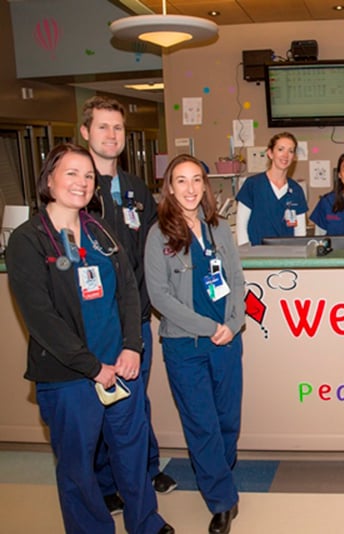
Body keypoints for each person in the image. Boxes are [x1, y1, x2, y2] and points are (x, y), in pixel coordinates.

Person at [5, 143, 173, 534]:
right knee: (78, 467)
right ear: (49, 179)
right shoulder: (29, 240)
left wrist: (132, 346)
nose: (81, 183)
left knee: (131, 453)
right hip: (71, 377)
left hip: (121, 367)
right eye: (71, 173)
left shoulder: (100, 231)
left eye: (88, 176)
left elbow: (128, 290)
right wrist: (92, 367)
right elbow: (41, 318)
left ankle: (145, 522)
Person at [80, 95, 177, 513]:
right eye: (102, 126)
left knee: (135, 400)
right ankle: (107, 483)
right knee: (102, 402)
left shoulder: (136, 190)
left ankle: (146, 469)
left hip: (134, 317)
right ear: (85, 132)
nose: (111, 135)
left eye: (117, 127)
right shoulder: (78, 188)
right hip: (93, 321)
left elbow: (154, 246)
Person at [145, 155, 245, 534]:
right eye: (181, 181)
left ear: (205, 185)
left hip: (226, 342)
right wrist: (209, 326)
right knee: (202, 424)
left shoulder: (218, 229)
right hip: (185, 346)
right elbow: (160, 297)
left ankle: (221, 474)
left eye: (196, 180)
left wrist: (233, 324)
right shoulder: (158, 235)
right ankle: (221, 500)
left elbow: (237, 280)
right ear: (170, 188)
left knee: (227, 421)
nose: (190, 188)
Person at [236, 132, 308, 245]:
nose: (285, 155)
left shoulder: (296, 190)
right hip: (257, 252)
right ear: (270, 153)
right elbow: (241, 226)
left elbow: (300, 232)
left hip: (287, 253)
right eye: (280, 149)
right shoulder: (252, 185)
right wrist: (246, 251)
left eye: (290, 151)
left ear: (294, 157)